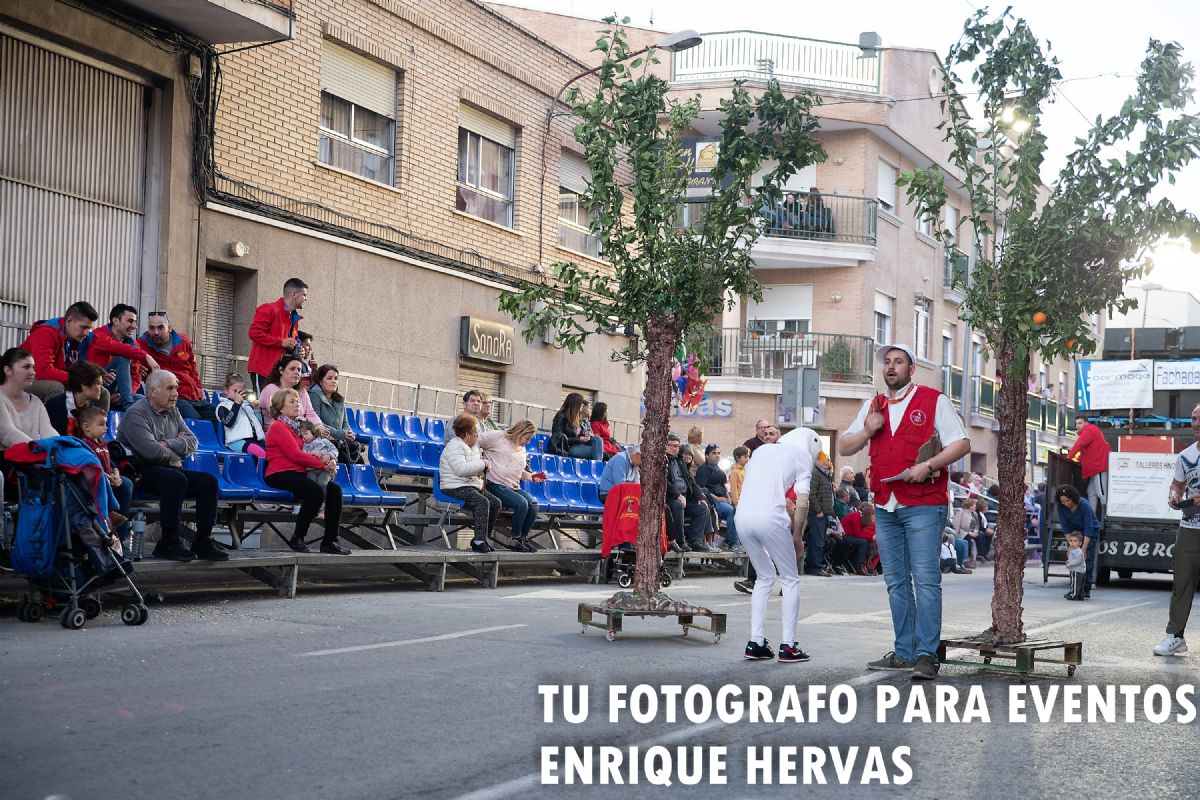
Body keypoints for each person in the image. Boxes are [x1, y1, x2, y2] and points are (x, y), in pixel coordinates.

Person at [838, 343, 971, 681]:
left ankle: (927, 655)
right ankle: (904, 652)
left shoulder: (933, 399)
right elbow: (844, 446)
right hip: (885, 503)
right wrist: (868, 430)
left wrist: (928, 464)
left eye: (899, 362)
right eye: (887, 362)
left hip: (924, 503)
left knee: (926, 580)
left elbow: (961, 443)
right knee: (896, 581)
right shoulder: (874, 405)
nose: (891, 367)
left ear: (912, 369)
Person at [116, 370, 226, 562]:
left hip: (168, 467)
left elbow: (193, 442)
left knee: (208, 481)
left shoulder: (173, 410)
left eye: (176, 387)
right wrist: (176, 448)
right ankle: (169, 541)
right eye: (170, 388)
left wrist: (167, 443)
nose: (176, 393)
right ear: (152, 392)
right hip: (141, 470)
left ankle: (203, 540)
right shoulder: (136, 413)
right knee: (176, 478)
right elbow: (151, 452)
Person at [735, 426, 822, 664]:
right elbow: (802, 501)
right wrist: (797, 535)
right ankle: (789, 646)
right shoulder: (801, 455)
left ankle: (756, 642)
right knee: (790, 578)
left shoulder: (761, 451)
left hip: (742, 518)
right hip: (771, 519)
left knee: (764, 578)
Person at [263, 388, 350, 555]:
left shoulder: (297, 428)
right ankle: (298, 537)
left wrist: (329, 459)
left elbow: (310, 451)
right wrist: (323, 465)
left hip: (298, 473)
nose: (297, 404)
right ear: (281, 408)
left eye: (297, 401)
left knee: (335, 491)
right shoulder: (279, 427)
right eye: (292, 402)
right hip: (279, 473)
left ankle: (330, 541)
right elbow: (295, 455)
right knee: (315, 492)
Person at [1156, 403, 1200, 656]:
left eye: (1199, 418)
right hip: (1190, 526)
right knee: (1181, 583)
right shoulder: (1185, 456)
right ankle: (1175, 637)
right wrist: (1174, 496)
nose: (1196, 422)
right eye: (1193, 418)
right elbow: (1178, 484)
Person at [20, 301, 107, 404]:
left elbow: (73, 369)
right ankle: (54, 420)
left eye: (89, 328)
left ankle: (87, 420)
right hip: (23, 380)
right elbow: (43, 371)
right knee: (56, 388)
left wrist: (94, 376)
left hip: (50, 379)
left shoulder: (75, 337)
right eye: (83, 327)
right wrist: (79, 380)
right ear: (69, 321)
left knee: (102, 392)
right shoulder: (45, 333)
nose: (86, 333)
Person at [439, 413, 501, 553]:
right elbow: (461, 470)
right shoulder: (454, 446)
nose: (478, 436)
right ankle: (479, 541)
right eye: (475, 433)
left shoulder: (473, 447)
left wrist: (483, 467)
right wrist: (481, 465)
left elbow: (474, 468)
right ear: (466, 433)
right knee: (482, 502)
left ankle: (482, 538)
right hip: (453, 486)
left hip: (470, 485)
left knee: (496, 503)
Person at [479, 420, 545, 552]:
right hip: (494, 483)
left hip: (512, 485)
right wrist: (480, 460)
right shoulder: (497, 436)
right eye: (527, 438)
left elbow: (518, 472)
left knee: (533, 504)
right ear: (520, 432)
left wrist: (532, 477)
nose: (528, 442)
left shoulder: (521, 448)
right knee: (521, 503)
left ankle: (522, 539)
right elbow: (475, 442)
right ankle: (514, 539)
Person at [138, 312, 215, 421]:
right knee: (195, 421)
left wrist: (199, 388)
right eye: (152, 328)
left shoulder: (183, 342)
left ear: (169, 328)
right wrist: (136, 366)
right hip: (172, 397)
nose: (155, 332)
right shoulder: (140, 345)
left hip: (194, 396)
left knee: (218, 417)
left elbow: (192, 369)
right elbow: (126, 357)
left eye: (160, 328)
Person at [75, 404, 133, 549]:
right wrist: (107, 478)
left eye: (106, 424)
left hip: (108, 479)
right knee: (102, 484)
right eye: (101, 424)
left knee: (126, 484)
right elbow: (90, 468)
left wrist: (117, 475)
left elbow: (112, 465)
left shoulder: (102, 443)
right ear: (86, 427)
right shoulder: (84, 444)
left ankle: (120, 538)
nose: (106, 428)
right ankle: (111, 515)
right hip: (95, 483)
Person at [89, 304, 159, 410]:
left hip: (118, 392)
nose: (135, 326)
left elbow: (135, 377)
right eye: (130, 321)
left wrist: (125, 394)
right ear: (116, 321)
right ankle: (128, 405)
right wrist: (145, 356)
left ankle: (128, 401)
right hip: (95, 386)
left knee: (147, 401)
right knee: (122, 359)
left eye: (135, 322)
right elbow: (116, 347)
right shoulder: (98, 335)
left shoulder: (133, 345)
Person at [248, 277, 307, 393]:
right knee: (263, 408)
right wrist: (281, 342)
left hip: (280, 373)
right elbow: (254, 333)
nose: (306, 299)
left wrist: (298, 350)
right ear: (294, 294)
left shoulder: (293, 317)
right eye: (304, 295)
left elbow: (289, 343)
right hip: (263, 370)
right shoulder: (269, 309)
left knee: (278, 409)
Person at [0, 348, 57, 448]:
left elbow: (48, 432)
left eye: (33, 367)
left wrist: (60, 447)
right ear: (8, 370)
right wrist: (39, 448)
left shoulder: (35, 401)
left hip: (34, 458)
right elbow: (7, 433)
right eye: (26, 367)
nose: (33, 372)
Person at [308, 364, 362, 463]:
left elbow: (345, 423)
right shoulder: (314, 396)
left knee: (360, 461)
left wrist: (348, 433)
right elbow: (317, 422)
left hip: (340, 441)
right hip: (323, 441)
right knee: (344, 459)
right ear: (320, 381)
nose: (334, 381)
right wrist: (341, 433)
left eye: (336, 378)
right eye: (329, 378)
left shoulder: (339, 399)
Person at [1055, 484, 1100, 599]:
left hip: (1089, 533)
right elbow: (1065, 526)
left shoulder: (1084, 505)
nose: (1065, 504)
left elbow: (1089, 526)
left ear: (1073, 498)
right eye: (1063, 501)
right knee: (1073, 560)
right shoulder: (1061, 507)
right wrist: (1071, 545)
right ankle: (1075, 588)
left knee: (1087, 560)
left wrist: (1083, 548)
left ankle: (1086, 588)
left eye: (1067, 501)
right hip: (1074, 533)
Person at [1067, 415, 1112, 526]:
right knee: (1092, 492)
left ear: (1086, 423)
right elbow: (1084, 450)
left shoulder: (1089, 430)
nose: (1077, 426)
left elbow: (1079, 444)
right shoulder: (1091, 430)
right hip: (1096, 467)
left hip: (1099, 466)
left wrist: (1069, 457)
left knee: (1101, 493)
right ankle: (1091, 517)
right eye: (1076, 423)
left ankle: (1106, 519)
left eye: (1080, 423)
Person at [259, 355, 327, 430]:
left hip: (303, 433)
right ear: (281, 370)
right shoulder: (270, 389)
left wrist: (320, 427)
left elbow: (310, 413)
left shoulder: (302, 391)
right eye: (292, 369)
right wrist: (311, 430)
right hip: (279, 434)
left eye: (299, 370)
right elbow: (281, 417)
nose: (297, 372)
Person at [695, 443, 742, 551]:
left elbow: (723, 486)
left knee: (736, 511)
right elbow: (701, 489)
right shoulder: (703, 470)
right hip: (712, 502)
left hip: (724, 500)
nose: (717, 455)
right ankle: (734, 543)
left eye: (719, 453)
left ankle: (737, 542)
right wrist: (718, 498)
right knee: (732, 511)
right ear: (706, 455)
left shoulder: (719, 470)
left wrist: (728, 497)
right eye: (714, 453)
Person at [45, 360, 108, 436]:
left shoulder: (91, 409)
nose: (101, 388)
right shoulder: (56, 406)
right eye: (98, 384)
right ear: (84, 386)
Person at [216, 372, 266, 458]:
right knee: (261, 453)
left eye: (240, 391)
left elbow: (259, 425)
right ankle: (257, 472)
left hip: (254, 439)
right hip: (236, 441)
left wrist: (257, 410)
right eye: (235, 391)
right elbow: (228, 422)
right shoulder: (222, 406)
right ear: (226, 390)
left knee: (273, 454)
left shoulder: (247, 406)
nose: (238, 394)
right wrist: (236, 404)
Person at [804, 452, 835, 576]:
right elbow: (811, 494)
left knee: (820, 541)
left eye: (828, 458)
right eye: (824, 459)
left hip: (824, 514)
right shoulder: (816, 473)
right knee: (817, 541)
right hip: (818, 515)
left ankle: (815, 565)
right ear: (817, 461)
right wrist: (818, 511)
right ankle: (815, 567)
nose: (827, 461)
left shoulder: (824, 474)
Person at [550, 392, 602, 461]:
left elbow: (580, 435)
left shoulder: (578, 417)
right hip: (568, 447)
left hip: (579, 445)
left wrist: (586, 435)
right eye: (581, 405)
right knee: (597, 452)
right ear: (575, 404)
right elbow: (559, 439)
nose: (582, 407)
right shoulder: (561, 416)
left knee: (597, 439)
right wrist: (579, 439)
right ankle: (598, 466)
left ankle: (597, 464)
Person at [298, 419, 338, 491]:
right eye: (302, 436)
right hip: (311, 470)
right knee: (312, 484)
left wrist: (329, 455)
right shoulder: (305, 446)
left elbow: (335, 450)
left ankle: (322, 501)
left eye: (306, 434)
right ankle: (314, 500)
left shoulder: (324, 441)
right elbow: (302, 456)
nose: (304, 437)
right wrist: (311, 453)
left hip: (325, 470)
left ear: (312, 431)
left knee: (322, 483)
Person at [839, 502, 876, 575]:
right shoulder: (856, 516)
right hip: (844, 536)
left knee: (867, 542)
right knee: (864, 542)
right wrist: (872, 537)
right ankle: (860, 566)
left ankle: (865, 565)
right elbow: (859, 534)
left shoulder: (861, 517)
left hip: (851, 536)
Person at [1064, 532, 1087, 601]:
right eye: (1071, 541)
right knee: (1079, 584)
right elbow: (1072, 558)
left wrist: (1070, 564)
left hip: (1076, 571)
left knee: (1075, 584)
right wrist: (1068, 561)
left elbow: (1079, 560)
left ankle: (1073, 595)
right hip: (1078, 570)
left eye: (1075, 541)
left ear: (1080, 543)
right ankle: (1080, 595)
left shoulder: (1078, 551)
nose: (1072, 543)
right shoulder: (1073, 550)